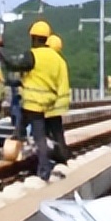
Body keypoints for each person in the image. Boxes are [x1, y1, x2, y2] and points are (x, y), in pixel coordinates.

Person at [0, 20, 66, 181]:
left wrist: (0, 51)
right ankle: (19, 136)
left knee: (38, 136)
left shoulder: (33, 55)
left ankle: (43, 168)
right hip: (47, 102)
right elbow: (37, 77)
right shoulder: (55, 58)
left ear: (33, 38)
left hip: (33, 102)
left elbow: (14, 65)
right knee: (25, 123)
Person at [46, 33, 72, 164]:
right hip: (59, 103)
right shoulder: (61, 61)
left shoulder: (48, 60)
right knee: (57, 132)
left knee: (43, 132)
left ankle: (48, 157)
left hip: (48, 102)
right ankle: (62, 155)